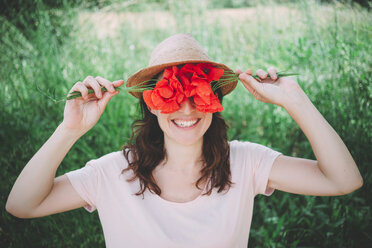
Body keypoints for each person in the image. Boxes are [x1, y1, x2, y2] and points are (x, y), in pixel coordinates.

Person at [6, 34, 363, 247]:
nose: (187, 108)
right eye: (173, 95)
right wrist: (70, 129)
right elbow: (22, 205)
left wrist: (295, 100)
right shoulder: (113, 173)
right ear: (151, 104)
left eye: (198, 93)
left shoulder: (246, 162)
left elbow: (343, 180)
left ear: (215, 101)